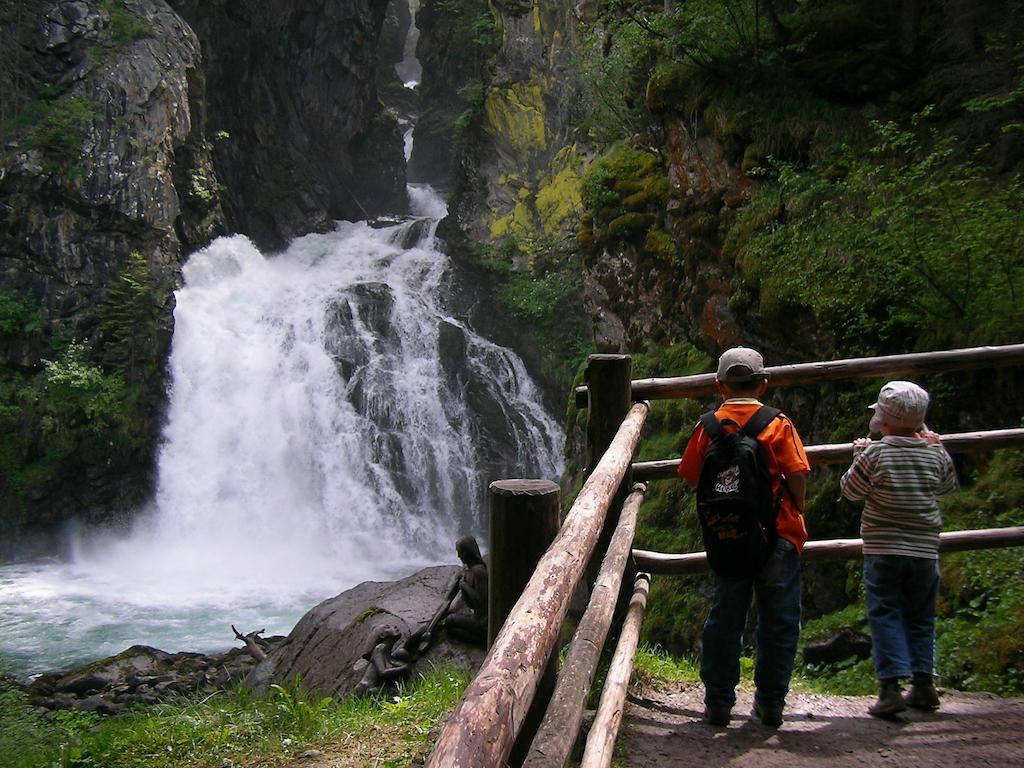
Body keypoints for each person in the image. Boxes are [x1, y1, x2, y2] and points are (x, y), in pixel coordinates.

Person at [677, 347, 811, 728]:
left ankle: (718, 703)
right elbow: (797, 474)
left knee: (725, 618)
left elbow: (691, 477)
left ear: (720, 386)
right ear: (763, 384)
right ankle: (770, 704)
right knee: (779, 620)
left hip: (728, 537)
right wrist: (795, 508)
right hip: (779, 537)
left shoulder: (708, 427)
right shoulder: (778, 424)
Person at [839, 380, 958, 718]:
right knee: (921, 616)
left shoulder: (876, 453)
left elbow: (850, 490)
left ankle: (890, 687)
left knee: (885, 612)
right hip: (924, 551)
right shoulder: (934, 452)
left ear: (884, 422)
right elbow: (947, 488)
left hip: (883, 549)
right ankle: (923, 684)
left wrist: (859, 454)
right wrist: (939, 447)